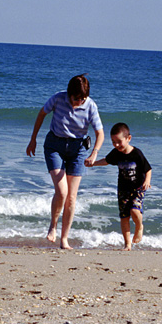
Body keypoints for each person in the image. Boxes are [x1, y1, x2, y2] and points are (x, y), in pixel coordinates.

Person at [26, 74, 104, 249]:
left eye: (82, 98)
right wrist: (33, 139)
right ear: (69, 94)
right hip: (55, 145)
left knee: (71, 197)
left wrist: (94, 153)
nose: (78, 102)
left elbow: (100, 133)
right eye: (76, 98)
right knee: (62, 191)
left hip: (78, 150)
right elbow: (41, 114)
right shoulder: (58, 98)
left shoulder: (90, 106)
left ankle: (64, 239)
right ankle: (53, 226)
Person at [87, 122, 152, 251]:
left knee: (134, 210)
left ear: (128, 138)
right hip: (123, 189)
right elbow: (106, 160)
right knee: (124, 217)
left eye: (119, 141)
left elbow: (148, 168)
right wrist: (93, 164)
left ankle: (139, 227)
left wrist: (147, 181)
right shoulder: (116, 153)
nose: (116, 145)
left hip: (138, 187)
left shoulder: (137, 153)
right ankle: (127, 244)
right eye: (113, 141)